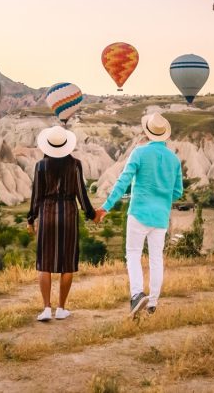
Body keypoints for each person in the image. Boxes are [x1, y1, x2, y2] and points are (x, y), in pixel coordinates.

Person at [95, 113, 183, 318]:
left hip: (138, 213)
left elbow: (123, 181)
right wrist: (162, 196)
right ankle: (152, 302)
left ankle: (136, 295)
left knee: (133, 254)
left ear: (147, 132)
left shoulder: (139, 153)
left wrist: (106, 207)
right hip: (161, 217)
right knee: (156, 258)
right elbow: (178, 192)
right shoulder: (174, 160)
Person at [27, 125, 96, 322]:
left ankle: (46, 308)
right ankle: (61, 309)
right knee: (67, 264)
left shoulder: (40, 166)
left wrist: (30, 218)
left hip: (46, 214)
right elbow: (81, 194)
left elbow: (36, 196)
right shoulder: (75, 165)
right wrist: (92, 214)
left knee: (44, 264)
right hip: (68, 215)